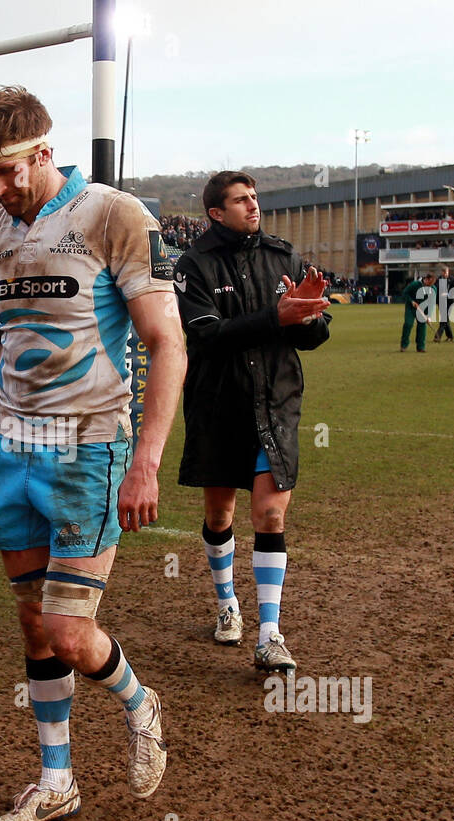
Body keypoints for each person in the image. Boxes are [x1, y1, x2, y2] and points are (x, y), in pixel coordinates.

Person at [0, 86, 187, 821]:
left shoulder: (115, 216)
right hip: (13, 451)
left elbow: (166, 344)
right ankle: (56, 781)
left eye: (9, 172)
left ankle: (137, 700)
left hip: (90, 446)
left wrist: (146, 461)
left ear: (46, 153)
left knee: (64, 627)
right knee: (31, 623)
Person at [174, 171, 330, 667]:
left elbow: (313, 334)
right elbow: (206, 335)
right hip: (218, 402)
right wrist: (276, 317)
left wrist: (308, 316)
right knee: (220, 515)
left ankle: (270, 634)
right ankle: (226, 605)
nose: (253, 205)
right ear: (216, 212)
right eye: (241, 200)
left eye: (255, 197)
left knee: (270, 513)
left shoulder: (284, 256)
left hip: (276, 401)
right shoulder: (193, 265)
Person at [400, 270, 436, 352]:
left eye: (431, 285)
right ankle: (404, 345)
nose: (429, 287)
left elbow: (431, 303)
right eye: (429, 284)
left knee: (422, 327)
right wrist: (411, 301)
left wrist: (428, 316)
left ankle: (420, 347)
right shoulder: (415, 284)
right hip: (411, 308)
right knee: (408, 324)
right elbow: (405, 293)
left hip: (423, 310)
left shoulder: (433, 288)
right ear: (426, 279)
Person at [432, 265, 454, 343]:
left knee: (444, 320)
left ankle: (437, 336)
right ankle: (450, 336)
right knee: (445, 320)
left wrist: (447, 294)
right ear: (442, 272)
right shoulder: (439, 279)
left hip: (449, 302)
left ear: (448, 272)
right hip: (441, 302)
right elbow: (435, 289)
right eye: (444, 272)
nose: (445, 274)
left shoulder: (452, 280)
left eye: (447, 272)